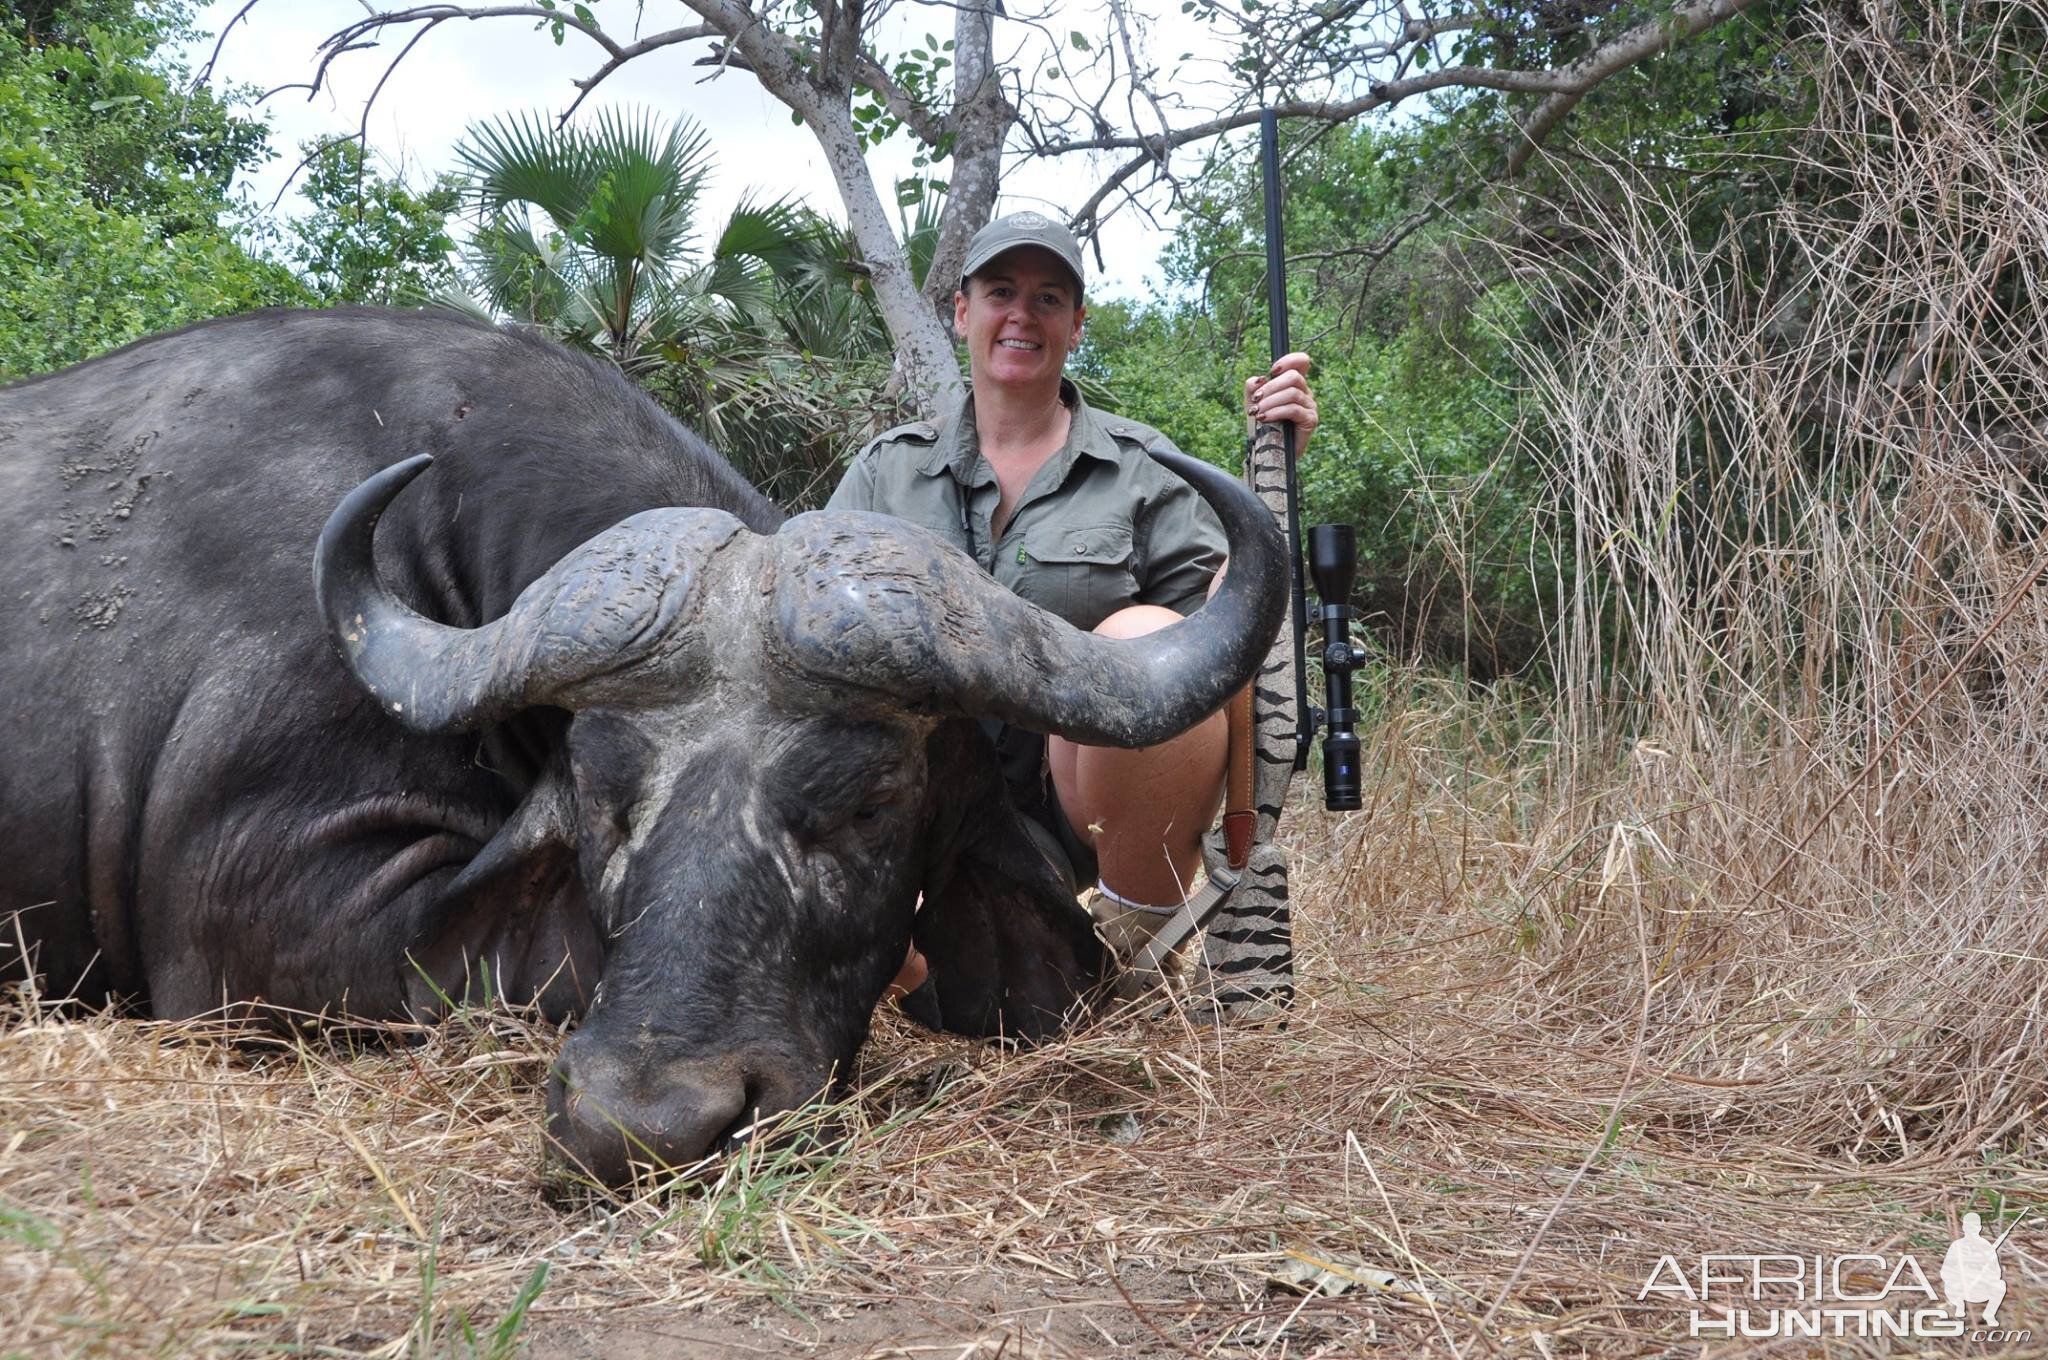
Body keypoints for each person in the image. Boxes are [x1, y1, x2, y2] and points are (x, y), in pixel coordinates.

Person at [827, 211, 1318, 995]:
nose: (1022, 314)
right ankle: (907, 953)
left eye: (1049, 297)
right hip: (908, 795)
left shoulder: (1143, 466)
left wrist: (1272, 478)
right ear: (962, 312)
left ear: (1077, 324)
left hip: (1071, 798)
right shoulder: (885, 472)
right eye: (1001, 292)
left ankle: (1124, 967)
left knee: (1150, 639)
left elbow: (1217, 632)